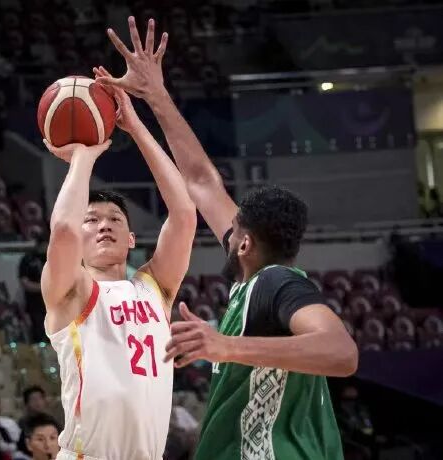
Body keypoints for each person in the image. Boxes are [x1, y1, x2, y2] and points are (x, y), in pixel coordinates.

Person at [99, 16, 359, 460]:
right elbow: (202, 181)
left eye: (233, 228)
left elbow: (342, 352)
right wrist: (154, 96)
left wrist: (226, 345)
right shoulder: (257, 281)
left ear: (245, 244)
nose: (224, 228)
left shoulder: (276, 283)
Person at [41, 55, 197, 458]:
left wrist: (135, 126)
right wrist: (84, 157)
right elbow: (63, 230)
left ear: (130, 239)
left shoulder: (153, 288)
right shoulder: (71, 290)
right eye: (92, 220)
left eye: (114, 219)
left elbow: (184, 213)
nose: (104, 225)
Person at [18, 235, 47, 343]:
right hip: (35, 303)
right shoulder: (27, 260)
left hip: (53, 304)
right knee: (38, 331)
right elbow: (25, 283)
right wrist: (43, 288)